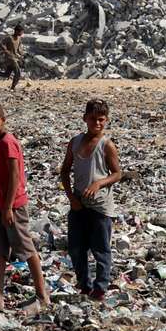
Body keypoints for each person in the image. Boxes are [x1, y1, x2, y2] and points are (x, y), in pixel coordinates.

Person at [0, 100, 50, 311]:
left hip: (14, 206)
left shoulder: (8, 142)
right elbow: (0, 180)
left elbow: (15, 175)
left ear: (2, 120)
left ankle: (42, 294)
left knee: (25, 248)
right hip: (2, 205)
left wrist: (8, 207)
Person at [58, 99, 122, 301]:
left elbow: (118, 173)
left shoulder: (106, 145)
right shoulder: (75, 142)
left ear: (107, 120)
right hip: (79, 204)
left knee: (101, 249)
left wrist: (99, 183)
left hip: (100, 206)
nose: (97, 123)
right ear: (85, 118)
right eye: (93, 119)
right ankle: (84, 286)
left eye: (101, 120)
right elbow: (65, 171)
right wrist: (71, 197)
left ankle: (100, 288)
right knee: (76, 249)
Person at [0, 25, 25, 90]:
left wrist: (21, 56)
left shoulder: (19, 39)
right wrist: (5, 50)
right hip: (9, 58)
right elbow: (1, 43)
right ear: (16, 31)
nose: (22, 33)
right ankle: (13, 87)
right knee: (18, 73)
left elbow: (18, 49)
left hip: (15, 57)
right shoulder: (9, 38)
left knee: (6, 74)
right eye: (21, 32)